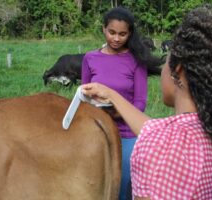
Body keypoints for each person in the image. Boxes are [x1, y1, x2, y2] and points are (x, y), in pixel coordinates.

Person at [81, 5, 212, 200]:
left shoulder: (164, 149)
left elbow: (158, 140)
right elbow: (151, 130)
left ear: (177, 71)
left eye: (167, 62)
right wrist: (112, 95)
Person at [81, 6, 163, 200]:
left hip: (126, 133)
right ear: (103, 29)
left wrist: (118, 113)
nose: (116, 38)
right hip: (96, 131)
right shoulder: (90, 58)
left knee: (123, 189)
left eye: (122, 34)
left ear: (130, 34)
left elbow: (140, 101)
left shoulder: (135, 60)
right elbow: (83, 94)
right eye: (112, 32)